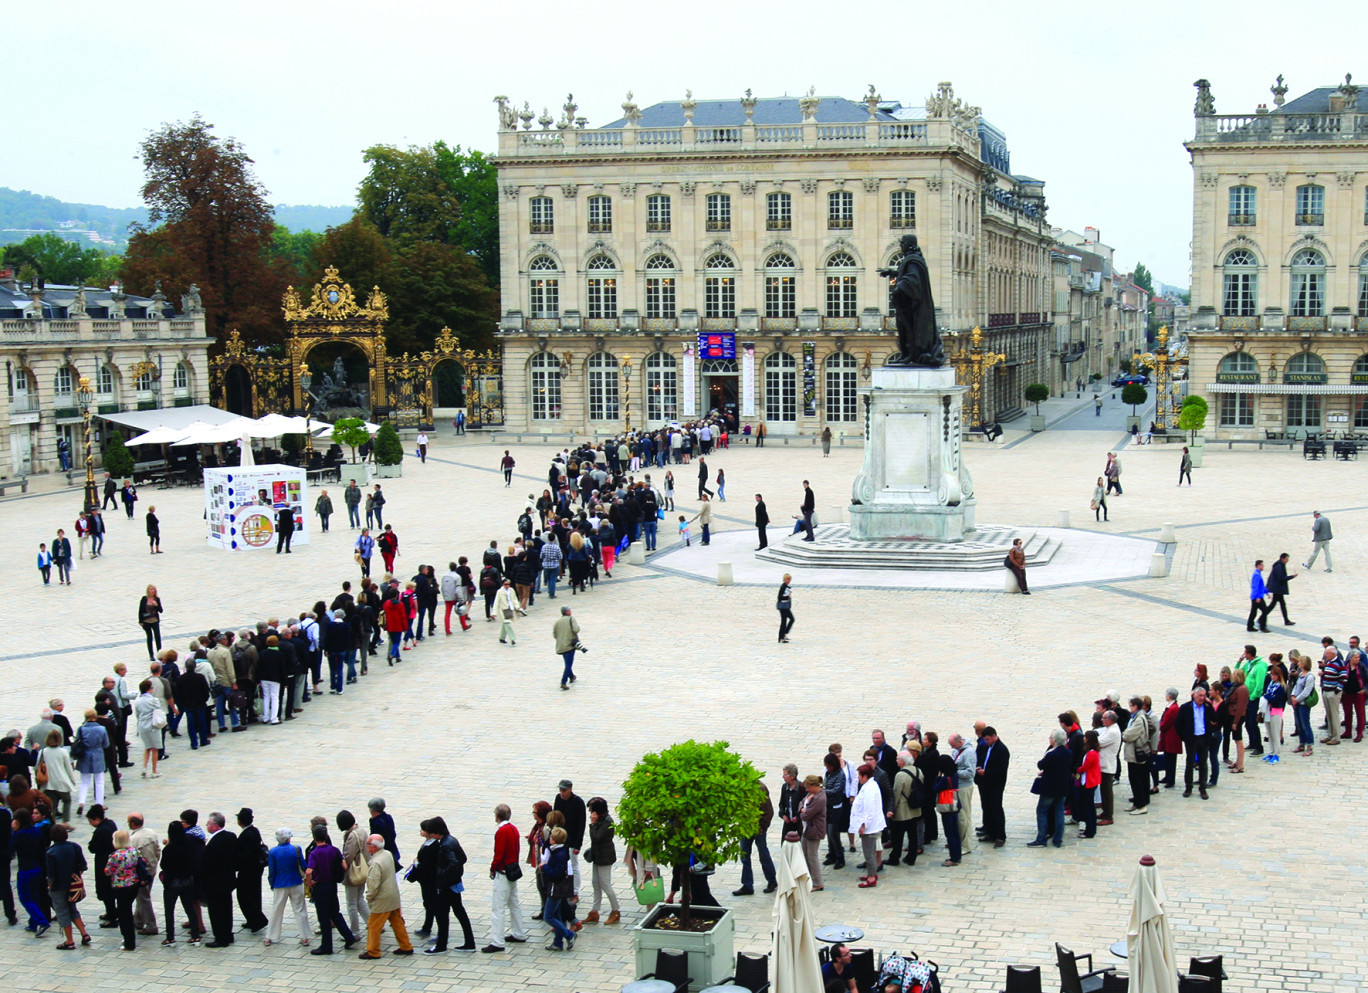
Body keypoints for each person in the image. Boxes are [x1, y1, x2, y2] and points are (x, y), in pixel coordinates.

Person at [359, 833, 414, 958]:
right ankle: (406, 946)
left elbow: (373, 884)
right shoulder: (388, 854)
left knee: (373, 925)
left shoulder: (375, 863)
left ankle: (373, 951)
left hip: (382, 899)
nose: (366, 846)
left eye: (368, 844)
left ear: (374, 847)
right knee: (396, 921)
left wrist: (369, 897)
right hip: (393, 895)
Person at [482, 803, 528, 953]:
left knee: (498, 908)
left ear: (497, 817)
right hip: (513, 870)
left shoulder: (501, 831)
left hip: (503, 872)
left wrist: (492, 868)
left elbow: (499, 853)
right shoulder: (513, 829)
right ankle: (518, 932)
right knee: (514, 903)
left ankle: (497, 941)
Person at [305, 824, 356, 955]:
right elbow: (344, 866)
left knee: (323, 917)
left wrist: (309, 882)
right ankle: (349, 936)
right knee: (335, 912)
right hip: (332, 885)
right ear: (326, 836)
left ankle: (326, 946)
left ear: (314, 837)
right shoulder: (334, 850)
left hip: (320, 886)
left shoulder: (314, 853)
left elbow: (309, 870)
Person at [160, 820, 203, 945]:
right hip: (187, 882)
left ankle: (170, 937)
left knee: (169, 910)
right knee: (190, 908)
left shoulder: (169, 849)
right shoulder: (188, 845)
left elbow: (164, 865)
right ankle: (195, 935)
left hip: (172, 883)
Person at [265, 827, 310, 947]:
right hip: (296, 882)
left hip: (280, 884)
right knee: (300, 909)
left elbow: (272, 871)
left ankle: (270, 936)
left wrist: (272, 884)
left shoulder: (273, 852)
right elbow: (304, 866)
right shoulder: (296, 849)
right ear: (288, 838)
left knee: (277, 910)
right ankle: (304, 936)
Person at [1028, 729, 1072, 849]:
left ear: (1055, 740)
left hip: (1049, 788)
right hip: (1062, 787)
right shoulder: (1068, 753)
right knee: (1059, 812)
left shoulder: (1052, 754)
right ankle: (1058, 839)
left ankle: (1041, 838)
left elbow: (1041, 764)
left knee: (1042, 811)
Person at [104, 829, 146, 950]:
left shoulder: (115, 855)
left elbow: (108, 871)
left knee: (124, 914)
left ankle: (129, 941)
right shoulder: (134, 852)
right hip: (134, 885)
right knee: (127, 910)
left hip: (120, 886)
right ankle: (129, 938)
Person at [734, 781, 777, 897]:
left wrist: (763, 827)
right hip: (746, 827)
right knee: (744, 855)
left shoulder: (760, 788)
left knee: (763, 854)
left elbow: (768, 811)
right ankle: (747, 885)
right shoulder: (739, 787)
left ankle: (772, 881)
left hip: (758, 828)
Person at [584, 797, 620, 923]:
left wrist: (593, 824)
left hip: (605, 857)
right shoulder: (601, 819)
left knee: (605, 884)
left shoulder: (607, 821)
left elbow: (596, 838)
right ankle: (595, 911)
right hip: (597, 855)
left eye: (591, 809)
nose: (589, 811)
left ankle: (616, 910)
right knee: (596, 883)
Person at [849, 764, 885, 887]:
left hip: (870, 827)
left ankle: (871, 878)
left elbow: (869, 809)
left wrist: (864, 825)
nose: (858, 778)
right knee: (870, 852)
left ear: (865, 776)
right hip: (872, 824)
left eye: (860, 776)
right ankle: (872, 873)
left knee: (868, 853)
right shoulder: (870, 785)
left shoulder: (870, 788)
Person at [540, 826, 576, 951]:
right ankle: (557, 942)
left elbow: (557, 874)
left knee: (548, 916)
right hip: (558, 889)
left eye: (551, 837)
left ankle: (569, 934)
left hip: (556, 889)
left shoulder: (559, 855)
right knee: (557, 915)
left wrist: (544, 867)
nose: (549, 838)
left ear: (554, 840)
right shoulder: (560, 851)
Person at [974, 727, 1009, 847]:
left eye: (988, 739)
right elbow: (982, 759)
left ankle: (1000, 836)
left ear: (994, 736)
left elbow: (1001, 769)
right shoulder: (987, 747)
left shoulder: (1002, 750)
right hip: (985, 783)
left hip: (995, 785)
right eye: (985, 740)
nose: (986, 742)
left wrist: (986, 772)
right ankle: (990, 832)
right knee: (987, 808)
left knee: (996, 809)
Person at [236, 808, 270, 933]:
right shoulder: (254, 830)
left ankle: (258, 919)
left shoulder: (246, 835)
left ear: (240, 821)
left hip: (248, 870)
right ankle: (252, 920)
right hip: (256, 869)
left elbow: (245, 855)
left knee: (244, 896)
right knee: (254, 894)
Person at [1179, 687, 1218, 793]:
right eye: (1200, 695)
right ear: (1194, 695)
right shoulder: (1186, 707)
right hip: (1191, 739)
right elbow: (1178, 724)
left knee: (1203, 764)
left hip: (1203, 738)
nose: (1202, 698)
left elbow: (1215, 718)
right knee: (1190, 763)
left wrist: (1210, 705)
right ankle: (1188, 787)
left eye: (1204, 695)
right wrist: (1185, 737)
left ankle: (1202, 788)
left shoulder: (1206, 707)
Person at [1121, 697, 1154, 815]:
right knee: (1141, 777)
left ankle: (1141, 805)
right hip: (1137, 751)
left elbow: (1128, 735)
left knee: (1136, 779)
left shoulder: (1139, 719)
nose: (1130, 708)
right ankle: (1139, 801)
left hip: (1136, 753)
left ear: (1135, 706)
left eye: (1131, 706)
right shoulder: (1140, 716)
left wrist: (1124, 733)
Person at [39, 728, 76, 824]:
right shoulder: (63, 752)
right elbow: (68, 768)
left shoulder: (43, 752)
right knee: (67, 800)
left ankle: (52, 823)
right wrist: (72, 780)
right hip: (61, 781)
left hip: (48, 783)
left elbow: (37, 767)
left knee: (52, 804)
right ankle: (65, 822)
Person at [799, 774, 827, 889]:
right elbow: (801, 802)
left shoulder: (819, 798)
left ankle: (817, 883)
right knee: (804, 853)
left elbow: (806, 815)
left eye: (808, 787)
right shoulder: (812, 794)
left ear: (814, 786)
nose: (806, 790)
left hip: (814, 830)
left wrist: (802, 811)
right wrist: (803, 808)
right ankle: (809, 878)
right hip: (807, 829)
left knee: (812, 856)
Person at [1074, 731, 1101, 839]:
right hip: (1090, 781)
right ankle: (1091, 829)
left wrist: (1077, 770)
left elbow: (1085, 767)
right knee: (1089, 807)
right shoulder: (1093, 752)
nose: (1083, 738)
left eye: (1085, 737)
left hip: (1088, 782)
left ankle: (1089, 831)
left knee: (1087, 807)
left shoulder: (1091, 753)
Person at [1291, 655, 1316, 756]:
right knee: (1300, 725)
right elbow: (1296, 686)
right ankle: (1302, 743)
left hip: (1303, 704)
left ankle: (1309, 746)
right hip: (1297, 703)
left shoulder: (1309, 677)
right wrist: (1293, 695)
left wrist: (1297, 699)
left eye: (1300, 662)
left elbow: (1306, 691)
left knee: (1305, 724)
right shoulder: (1301, 674)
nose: (1298, 664)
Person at [553, 606, 579, 689]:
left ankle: (572, 676)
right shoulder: (571, 619)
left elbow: (555, 635)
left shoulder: (557, 622)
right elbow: (576, 629)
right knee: (568, 664)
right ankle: (563, 682)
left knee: (567, 662)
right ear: (567, 612)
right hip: (570, 645)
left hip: (561, 645)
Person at [138, 585, 163, 662]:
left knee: (157, 637)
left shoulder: (157, 599)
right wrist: (140, 621)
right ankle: (151, 655)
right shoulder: (144, 599)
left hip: (155, 621)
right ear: (148, 590)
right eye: (151, 589)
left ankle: (160, 653)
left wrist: (157, 605)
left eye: (154, 589)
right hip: (146, 622)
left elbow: (161, 610)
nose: (153, 591)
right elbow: (140, 610)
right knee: (149, 637)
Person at [1247, 559, 1270, 633]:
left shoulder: (1258, 573)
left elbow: (1261, 586)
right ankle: (1262, 627)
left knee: (1253, 612)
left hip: (1256, 596)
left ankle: (1250, 626)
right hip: (1257, 597)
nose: (1263, 566)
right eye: (1262, 565)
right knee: (1265, 611)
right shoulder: (1257, 575)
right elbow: (1255, 587)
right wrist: (1258, 597)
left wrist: (1266, 592)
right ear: (1258, 566)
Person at [496, 578, 518, 646]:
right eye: (505, 584)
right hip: (503, 610)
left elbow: (514, 599)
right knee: (507, 624)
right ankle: (512, 638)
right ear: (503, 584)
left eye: (508, 584)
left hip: (510, 609)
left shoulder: (511, 590)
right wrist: (494, 613)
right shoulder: (499, 592)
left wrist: (517, 606)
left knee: (505, 624)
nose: (507, 586)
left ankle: (502, 638)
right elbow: (496, 602)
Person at [776, 574, 794, 643]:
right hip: (783, 607)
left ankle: (783, 635)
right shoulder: (783, 587)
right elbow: (780, 597)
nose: (788, 581)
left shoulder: (787, 587)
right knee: (786, 621)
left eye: (789, 579)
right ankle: (782, 637)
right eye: (787, 579)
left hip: (786, 607)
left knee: (787, 620)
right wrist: (788, 597)